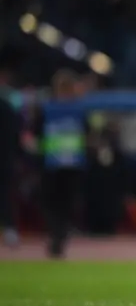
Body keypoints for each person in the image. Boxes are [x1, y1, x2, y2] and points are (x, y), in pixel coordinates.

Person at [36, 69, 88, 258]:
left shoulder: (48, 108)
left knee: (54, 203)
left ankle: (57, 235)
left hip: (55, 163)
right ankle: (59, 235)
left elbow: (37, 133)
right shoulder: (79, 109)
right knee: (64, 204)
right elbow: (87, 134)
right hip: (70, 163)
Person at [0, 45, 21, 247]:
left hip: (5, 157)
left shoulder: (9, 103)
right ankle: (10, 231)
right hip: (6, 157)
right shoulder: (9, 105)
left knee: (5, 194)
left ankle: (10, 230)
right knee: (5, 195)